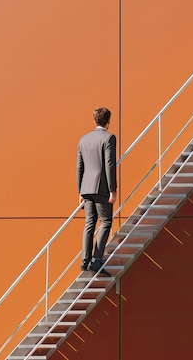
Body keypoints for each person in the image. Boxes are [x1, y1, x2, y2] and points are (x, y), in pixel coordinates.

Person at [76, 107, 117, 277]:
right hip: (101, 187)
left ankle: (85, 260)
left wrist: (80, 191)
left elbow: (80, 166)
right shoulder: (109, 138)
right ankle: (97, 260)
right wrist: (112, 189)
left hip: (86, 188)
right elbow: (110, 164)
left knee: (89, 223)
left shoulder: (83, 140)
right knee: (106, 222)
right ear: (108, 121)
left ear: (95, 121)